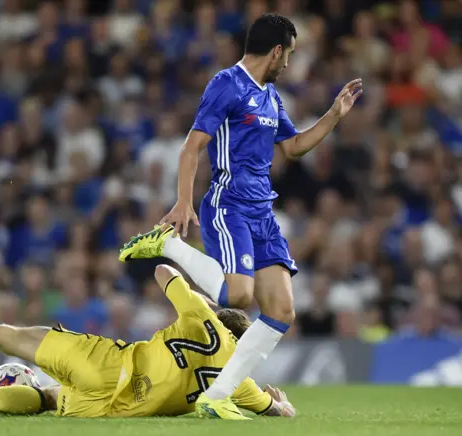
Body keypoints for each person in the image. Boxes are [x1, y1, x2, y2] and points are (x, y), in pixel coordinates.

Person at [118, 13, 362, 418]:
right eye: (290, 56)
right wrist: (183, 202)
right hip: (228, 205)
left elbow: (295, 146)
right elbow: (191, 147)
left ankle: (217, 396)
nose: (289, 65)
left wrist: (335, 114)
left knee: (282, 310)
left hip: (262, 210)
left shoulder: (270, 97)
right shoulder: (226, 84)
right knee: (239, 297)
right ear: (277, 51)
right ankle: (170, 246)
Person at [0, 266, 295, 419]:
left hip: (106, 364)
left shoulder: (204, 316)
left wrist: (204, 301)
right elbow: (278, 414)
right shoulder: (235, 382)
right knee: (49, 400)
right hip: (113, 411)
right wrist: (281, 404)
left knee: (9, 336)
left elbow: (162, 272)